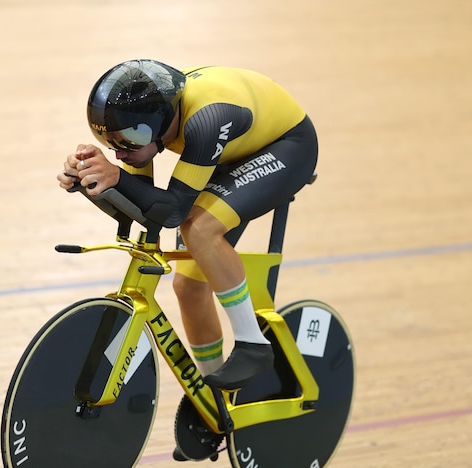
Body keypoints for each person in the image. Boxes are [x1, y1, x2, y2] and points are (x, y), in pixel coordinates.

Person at [57, 59, 318, 396]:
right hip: (228, 151)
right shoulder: (145, 128)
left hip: (286, 146)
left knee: (200, 228)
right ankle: (215, 397)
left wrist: (117, 177)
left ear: (160, 122)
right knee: (188, 287)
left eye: (130, 140)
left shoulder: (206, 120)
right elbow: (143, 210)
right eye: (113, 142)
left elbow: (174, 213)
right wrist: (92, 182)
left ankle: (254, 344)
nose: (122, 152)